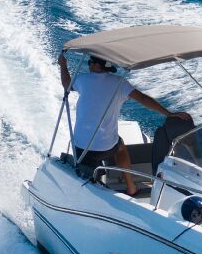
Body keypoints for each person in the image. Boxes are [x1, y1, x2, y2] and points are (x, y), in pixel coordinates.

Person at [58, 52, 190, 195]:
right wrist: (168, 113)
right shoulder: (120, 83)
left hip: (82, 148)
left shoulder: (82, 79)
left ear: (96, 65)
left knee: (90, 164)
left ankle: (92, 187)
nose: (89, 65)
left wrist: (63, 65)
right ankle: (131, 186)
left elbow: (66, 84)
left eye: (90, 62)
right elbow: (143, 98)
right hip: (107, 147)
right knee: (120, 147)